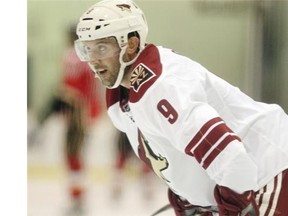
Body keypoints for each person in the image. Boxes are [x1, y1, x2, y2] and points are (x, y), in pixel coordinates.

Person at [73, 0, 288, 215]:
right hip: (247, 179)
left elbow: (231, 157)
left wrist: (232, 209)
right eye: (87, 49)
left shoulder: (163, 87)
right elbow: (173, 157)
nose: (93, 60)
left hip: (268, 169)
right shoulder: (122, 98)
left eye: (102, 48)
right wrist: (188, 200)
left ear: (131, 45)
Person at [38, 24, 103, 215]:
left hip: (76, 112)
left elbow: (69, 88)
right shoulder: (87, 56)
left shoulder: (71, 57)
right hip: (83, 112)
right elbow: (92, 88)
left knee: (73, 156)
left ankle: (78, 199)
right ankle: (78, 198)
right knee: (76, 157)